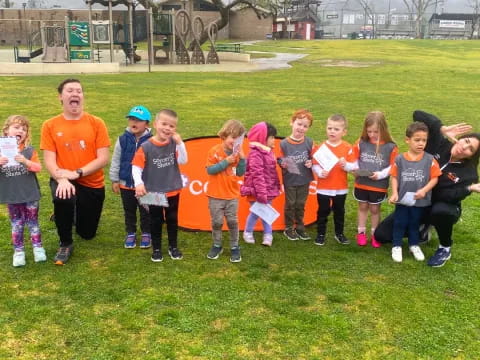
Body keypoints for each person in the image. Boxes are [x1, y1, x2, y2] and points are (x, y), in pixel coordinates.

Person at [374, 110, 480, 267]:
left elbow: (448, 196)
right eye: (466, 141)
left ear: (472, 156)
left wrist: (468, 188)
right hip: (416, 201)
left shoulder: (469, 174)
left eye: (470, 149)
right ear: (461, 138)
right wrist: (442, 128)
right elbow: (418, 114)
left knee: (441, 211)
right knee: (381, 235)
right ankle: (423, 230)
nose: (464, 147)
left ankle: (445, 247)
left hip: (440, 204)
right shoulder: (439, 143)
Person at [40, 79, 110, 265]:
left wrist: (77, 173)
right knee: (63, 196)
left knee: (87, 234)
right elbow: (49, 160)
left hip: (90, 181)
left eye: (79, 91)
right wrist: (62, 178)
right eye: (70, 90)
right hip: (63, 177)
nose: (75, 94)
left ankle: (69, 214)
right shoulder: (50, 125)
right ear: (60, 97)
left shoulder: (96, 123)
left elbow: (103, 158)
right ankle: (65, 243)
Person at [132, 109, 188, 262]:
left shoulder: (174, 144)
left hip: (172, 189)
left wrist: (180, 144)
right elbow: (136, 167)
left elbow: (183, 160)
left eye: (171, 126)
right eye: (164, 124)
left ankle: (173, 247)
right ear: (156, 124)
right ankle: (156, 249)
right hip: (154, 191)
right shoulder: (146, 146)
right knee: (155, 220)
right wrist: (139, 183)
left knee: (172, 219)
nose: (167, 128)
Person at [389, 122, 442, 262]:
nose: (421, 143)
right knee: (400, 222)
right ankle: (396, 246)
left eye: (424, 140)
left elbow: (435, 178)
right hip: (403, 200)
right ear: (408, 140)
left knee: (414, 223)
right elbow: (394, 177)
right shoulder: (400, 159)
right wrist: (394, 193)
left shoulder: (430, 159)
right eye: (417, 140)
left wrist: (424, 190)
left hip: (420, 201)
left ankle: (414, 245)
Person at [0, 115, 45, 267]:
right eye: (16, 127)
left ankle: (38, 248)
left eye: (24, 129)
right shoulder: (0, 151)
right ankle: (18, 251)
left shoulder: (28, 150)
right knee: (16, 223)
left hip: (29, 194)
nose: (21, 131)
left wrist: (25, 161)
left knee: (33, 222)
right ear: (6, 131)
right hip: (12, 195)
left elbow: (38, 168)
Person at [349, 111, 398, 248]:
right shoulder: (361, 142)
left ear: (383, 129)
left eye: (375, 131)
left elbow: (393, 167)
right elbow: (354, 159)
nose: (372, 135)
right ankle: (361, 233)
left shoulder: (390, 146)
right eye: (369, 131)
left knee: (375, 209)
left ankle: (375, 235)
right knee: (363, 206)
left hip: (378, 185)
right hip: (362, 184)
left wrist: (380, 174)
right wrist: (355, 169)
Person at [110, 105, 152, 249]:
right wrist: (115, 180)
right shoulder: (122, 139)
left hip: (145, 184)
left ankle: (147, 232)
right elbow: (116, 160)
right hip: (125, 183)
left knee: (146, 209)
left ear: (147, 123)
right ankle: (131, 232)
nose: (134, 123)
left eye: (139, 120)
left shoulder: (152, 141)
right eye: (132, 119)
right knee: (129, 210)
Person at [205, 119, 246, 262]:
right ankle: (217, 245)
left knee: (233, 222)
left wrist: (242, 159)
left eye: (239, 139)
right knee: (216, 222)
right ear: (224, 136)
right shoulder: (214, 151)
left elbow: (240, 173)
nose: (235, 142)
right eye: (233, 138)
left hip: (232, 195)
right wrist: (226, 162)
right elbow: (210, 170)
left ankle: (235, 246)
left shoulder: (238, 154)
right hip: (215, 195)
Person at [312, 114, 354, 246]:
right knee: (323, 211)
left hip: (340, 187)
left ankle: (339, 233)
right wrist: (320, 172)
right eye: (330, 128)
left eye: (336, 129)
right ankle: (320, 234)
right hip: (324, 187)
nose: (332, 131)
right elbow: (315, 164)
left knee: (339, 211)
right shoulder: (321, 147)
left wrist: (345, 165)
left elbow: (353, 166)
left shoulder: (347, 147)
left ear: (344, 132)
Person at [241, 121, 281, 247]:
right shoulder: (255, 154)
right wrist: (261, 194)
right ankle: (248, 232)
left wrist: (275, 186)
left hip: (267, 190)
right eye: (272, 137)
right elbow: (257, 175)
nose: (274, 140)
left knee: (266, 212)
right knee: (257, 212)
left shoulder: (269, 152)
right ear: (263, 138)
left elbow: (271, 172)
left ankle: (268, 234)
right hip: (256, 191)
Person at [279, 109, 314, 241]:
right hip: (290, 179)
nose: (301, 128)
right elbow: (279, 158)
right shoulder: (284, 143)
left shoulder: (309, 142)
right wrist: (282, 163)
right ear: (292, 123)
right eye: (299, 124)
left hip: (304, 179)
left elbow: (314, 158)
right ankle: (288, 228)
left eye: (305, 126)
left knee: (300, 203)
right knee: (290, 203)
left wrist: (312, 162)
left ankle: (300, 227)